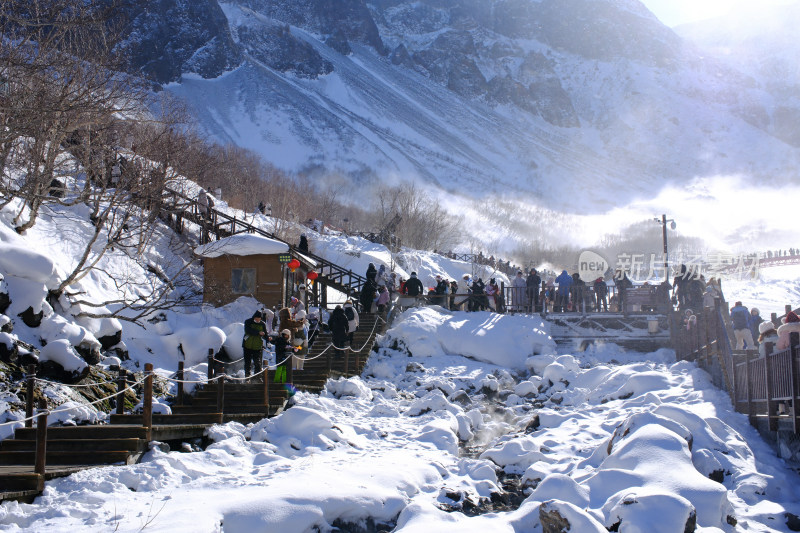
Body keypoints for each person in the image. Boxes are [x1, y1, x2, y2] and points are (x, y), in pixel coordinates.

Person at [242, 311, 267, 378]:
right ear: (254, 317)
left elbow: (265, 334)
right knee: (247, 362)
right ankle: (247, 377)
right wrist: (258, 332)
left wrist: (268, 338)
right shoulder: (248, 322)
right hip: (247, 345)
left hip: (257, 346)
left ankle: (257, 377)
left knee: (257, 363)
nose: (258, 320)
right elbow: (248, 331)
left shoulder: (262, 324)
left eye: (259, 318)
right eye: (256, 318)